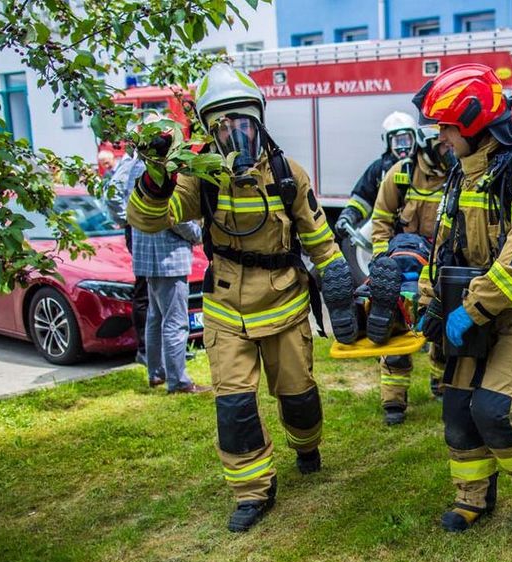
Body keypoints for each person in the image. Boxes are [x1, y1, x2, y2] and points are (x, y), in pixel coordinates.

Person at [125, 63, 357, 533]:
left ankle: (306, 447)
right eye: (225, 125)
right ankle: (253, 491)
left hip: (286, 306)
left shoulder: (287, 173)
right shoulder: (200, 177)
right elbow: (149, 218)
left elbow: (320, 237)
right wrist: (156, 176)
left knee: (299, 398)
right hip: (226, 310)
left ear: (260, 119)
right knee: (234, 406)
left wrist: (340, 290)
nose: (238, 133)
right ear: (210, 131)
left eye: (244, 121)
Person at [414, 63, 512, 532]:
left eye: (447, 127)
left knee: (494, 408)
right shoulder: (463, 174)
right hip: (473, 313)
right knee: (458, 410)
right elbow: (444, 245)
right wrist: (431, 301)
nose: (441, 137)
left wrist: (472, 307)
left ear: (474, 124)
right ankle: (473, 496)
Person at [367, 125, 453, 425]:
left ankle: (442, 384)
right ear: (427, 145)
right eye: (443, 146)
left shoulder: (458, 176)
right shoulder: (401, 174)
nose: (449, 150)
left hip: (439, 266)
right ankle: (394, 402)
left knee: (442, 329)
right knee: (396, 330)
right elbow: (381, 220)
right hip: (400, 269)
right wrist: (382, 262)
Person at [132, 218, 209, 393]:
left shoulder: (139, 188)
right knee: (175, 323)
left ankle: (157, 373)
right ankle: (179, 382)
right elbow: (178, 220)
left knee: (156, 318)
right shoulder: (168, 189)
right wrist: (201, 233)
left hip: (150, 256)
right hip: (169, 258)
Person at [333, 111, 419, 241]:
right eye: (397, 141)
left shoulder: (423, 167)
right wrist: (348, 216)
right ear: (388, 142)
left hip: (417, 235)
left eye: (406, 140)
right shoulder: (380, 169)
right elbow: (362, 199)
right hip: (387, 233)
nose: (403, 148)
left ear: (415, 138)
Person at [106, 148, 150, 364]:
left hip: (142, 229)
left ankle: (157, 349)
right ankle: (145, 349)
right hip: (139, 230)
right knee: (144, 291)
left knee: (153, 293)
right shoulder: (133, 161)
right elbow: (112, 191)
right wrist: (128, 219)